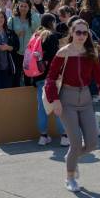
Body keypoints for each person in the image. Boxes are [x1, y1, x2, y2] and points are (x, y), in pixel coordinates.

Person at [45, 19, 100, 192]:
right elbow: (50, 79)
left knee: (92, 143)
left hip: (85, 99)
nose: (81, 36)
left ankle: (71, 158)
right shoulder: (63, 52)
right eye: (78, 32)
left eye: (85, 33)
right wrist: (54, 99)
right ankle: (70, 177)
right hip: (67, 100)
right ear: (72, 33)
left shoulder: (90, 53)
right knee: (76, 143)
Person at [26, 14, 67, 146]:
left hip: (38, 76)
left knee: (42, 108)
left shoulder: (36, 35)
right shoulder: (51, 36)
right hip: (51, 77)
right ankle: (64, 136)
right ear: (52, 22)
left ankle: (43, 136)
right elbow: (55, 58)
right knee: (57, 105)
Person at [8, 0, 39, 83]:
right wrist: (16, 34)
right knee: (16, 76)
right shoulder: (12, 19)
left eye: (25, 6)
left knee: (27, 76)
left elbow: (38, 32)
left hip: (28, 52)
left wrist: (33, 13)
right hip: (16, 52)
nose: (23, 8)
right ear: (18, 6)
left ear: (29, 7)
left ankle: (27, 90)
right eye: (21, 6)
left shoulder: (33, 18)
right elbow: (7, 34)